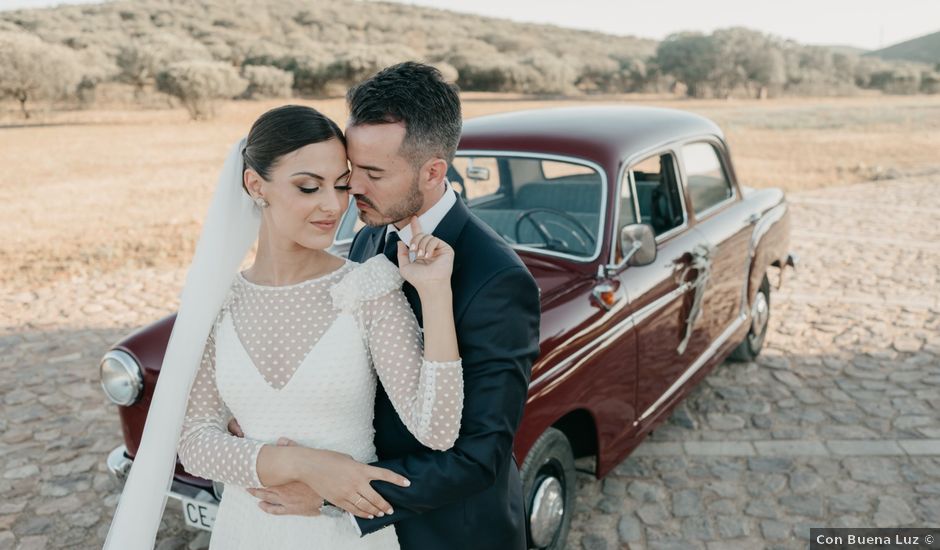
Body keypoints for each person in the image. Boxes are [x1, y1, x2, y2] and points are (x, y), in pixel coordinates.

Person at [103, 104, 464, 550]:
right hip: (246, 531)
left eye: (340, 185)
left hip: (345, 538)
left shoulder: (367, 288)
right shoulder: (221, 303)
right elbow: (195, 442)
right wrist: (306, 464)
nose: (332, 206)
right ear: (256, 185)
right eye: (309, 187)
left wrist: (435, 293)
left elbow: (438, 429)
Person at [247, 62, 542, 550]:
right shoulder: (369, 236)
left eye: (373, 173)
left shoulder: (498, 281)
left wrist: (333, 495)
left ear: (432, 171)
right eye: (350, 170)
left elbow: (478, 457)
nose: (352, 189)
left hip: (447, 533)